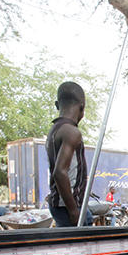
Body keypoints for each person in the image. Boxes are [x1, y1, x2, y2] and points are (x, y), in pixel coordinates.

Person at [46, 82, 91, 227]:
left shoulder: (54, 130)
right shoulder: (71, 132)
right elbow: (59, 172)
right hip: (68, 205)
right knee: (82, 247)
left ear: (57, 105)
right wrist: (73, 210)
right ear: (82, 107)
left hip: (59, 204)